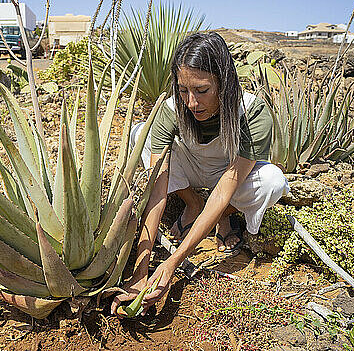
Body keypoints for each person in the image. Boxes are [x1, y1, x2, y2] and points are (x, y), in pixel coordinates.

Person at [111, 32, 289, 316]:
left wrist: (172, 263)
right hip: (191, 165)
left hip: (230, 173)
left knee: (272, 181)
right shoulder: (172, 109)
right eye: (183, 91)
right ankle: (192, 203)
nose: (191, 103)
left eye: (202, 90)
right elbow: (157, 191)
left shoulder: (251, 113)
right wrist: (140, 270)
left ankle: (225, 216)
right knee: (141, 135)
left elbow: (224, 188)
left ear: (224, 83)